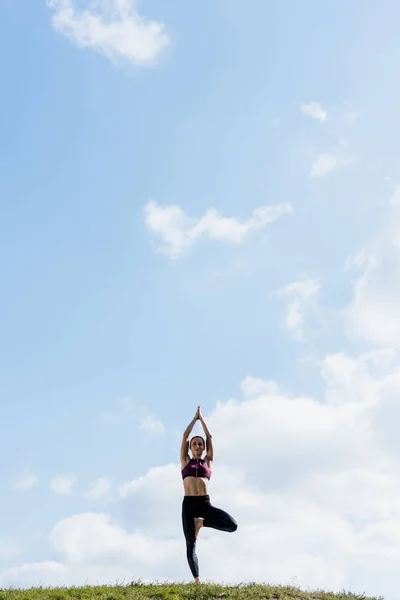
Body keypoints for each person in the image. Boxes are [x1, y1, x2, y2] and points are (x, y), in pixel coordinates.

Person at [180, 405, 237, 582]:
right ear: (190, 448)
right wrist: (193, 419)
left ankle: (201, 524)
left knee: (232, 525)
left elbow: (210, 436)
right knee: (191, 545)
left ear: (204, 448)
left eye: (200, 444)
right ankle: (197, 579)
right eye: (194, 444)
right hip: (189, 505)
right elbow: (184, 436)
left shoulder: (208, 461)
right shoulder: (185, 461)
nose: (197, 446)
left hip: (204, 504)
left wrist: (202, 419)